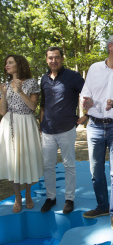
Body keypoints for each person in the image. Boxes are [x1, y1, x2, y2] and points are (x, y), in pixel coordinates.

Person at [81, 34, 113, 232]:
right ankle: (102, 206)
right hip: (94, 125)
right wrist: (88, 102)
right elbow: (86, 92)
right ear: (110, 47)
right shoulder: (94, 68)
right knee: (96, 171)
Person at [40, 46, 84, 214]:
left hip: (66, 129)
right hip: (47, 131)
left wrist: (86, 115)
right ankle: (50, 198)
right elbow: (42, 104)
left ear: (62, 58)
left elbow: (88, 94)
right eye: (50, 58)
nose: (54, 60)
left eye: (57, 57)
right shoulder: (44, 79)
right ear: (47, 59)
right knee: (48, 166)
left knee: (69, 165)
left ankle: (69, 199)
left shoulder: (73, 76)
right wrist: (41, 123)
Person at [0, 54, 43, 213]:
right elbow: (2, 111)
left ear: (19, 64)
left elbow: (32, 107)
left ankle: (29, 195)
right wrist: (4, 95)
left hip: (26, 123)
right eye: (6, 64)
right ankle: (18, 197)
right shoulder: (5, 84)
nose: (7, 66)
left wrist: (19, 91)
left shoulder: (31, 83)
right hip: (9, 124)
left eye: (10, 62)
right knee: (13, 162)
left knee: (27, 160)